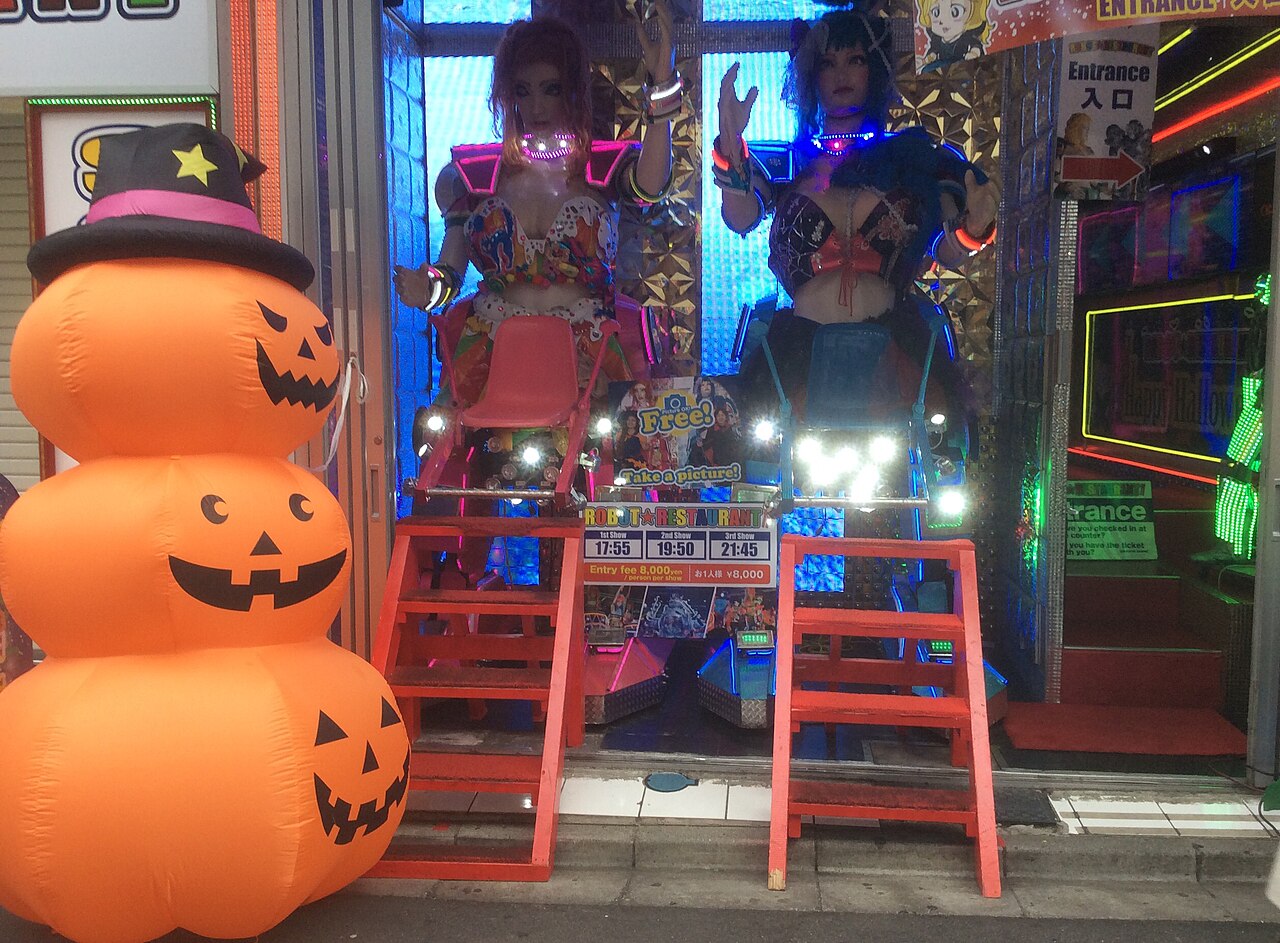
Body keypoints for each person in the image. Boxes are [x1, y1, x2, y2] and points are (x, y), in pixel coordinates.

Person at [714, 6, 998, 426]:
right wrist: (730, 141)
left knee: (914, 473)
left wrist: (973, 229)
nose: (840, 74)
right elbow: (740, 217)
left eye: (855, 59)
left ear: (876, 69)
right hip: (799, 356)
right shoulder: (789, 162)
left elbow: (947, 250)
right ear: (811, 74)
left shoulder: (912, 160)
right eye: (827, 63)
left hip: (893, 349)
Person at [394, 2, 679, 408]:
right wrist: (428, 288)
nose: (537, 106)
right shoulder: (474, 176)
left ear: (574, 91)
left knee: (603, 466)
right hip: (494, 354)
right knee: (467, 464)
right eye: (523, 91)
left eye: (551, 88)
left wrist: (663, 80)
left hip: (587, 356)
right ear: (508, 96)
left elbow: (651, 186)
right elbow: (450, 274)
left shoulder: (601, 166)